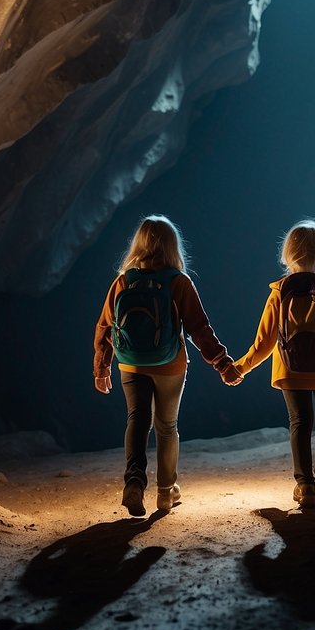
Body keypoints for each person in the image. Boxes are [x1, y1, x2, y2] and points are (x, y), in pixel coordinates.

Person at [94, 215, 241, 516]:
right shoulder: (178, 281)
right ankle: (165, 491)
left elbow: (105, 327)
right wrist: (222, 363)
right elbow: (199, 329)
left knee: (137, 420)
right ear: (173, 245)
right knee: (167, 426)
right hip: (170, 363)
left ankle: (134, 482)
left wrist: (101, 368)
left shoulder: (124, 281)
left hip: (131, 364)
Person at [231, 220, 315, 509]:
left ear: (288, 253)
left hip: (289, 371)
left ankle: (305, 485)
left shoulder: (279, 291)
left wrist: (240, 368)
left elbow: (264, 342)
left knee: (300, 423)